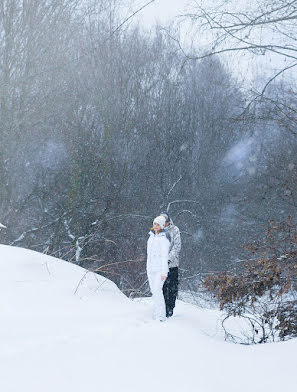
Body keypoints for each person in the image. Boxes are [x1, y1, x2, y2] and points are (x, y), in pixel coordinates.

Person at [147, 215, 170, 322]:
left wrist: (164, 272)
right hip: (151, 269)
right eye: (154, 224)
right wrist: (148, 268)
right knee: (153, 291)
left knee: (157, 290)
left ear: (161, 226)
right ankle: (156, 312)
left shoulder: (164, 240)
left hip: (160, 270)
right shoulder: (151, 237)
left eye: (158, 224)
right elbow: (149, 255)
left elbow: (164, 257)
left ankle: (161, 316)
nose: (156, 226)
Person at [160, 211, 181, 318]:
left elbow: (177, 246)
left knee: (172, 288)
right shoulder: (158, 231)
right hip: (161, 266)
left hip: (172, 265)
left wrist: (168, 258)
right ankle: (163, 308)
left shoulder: (175, 230)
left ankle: (170, 308)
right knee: (162, 288)